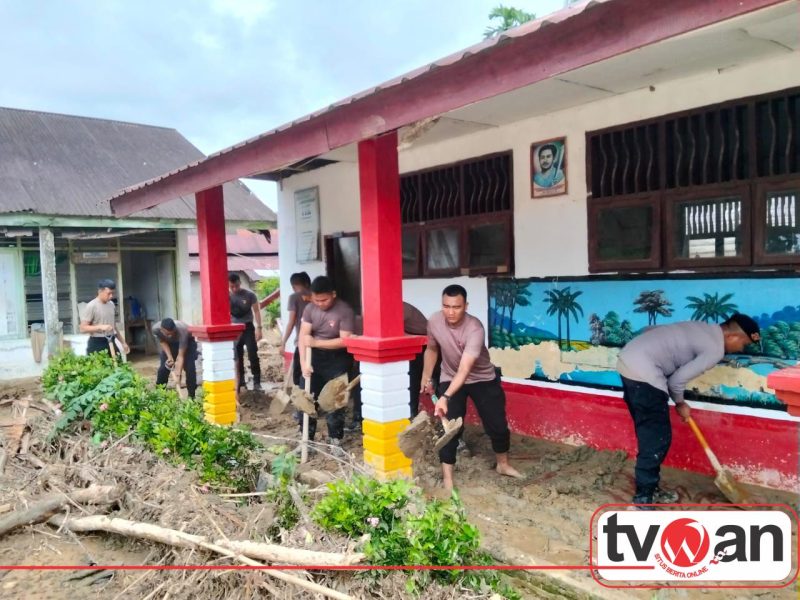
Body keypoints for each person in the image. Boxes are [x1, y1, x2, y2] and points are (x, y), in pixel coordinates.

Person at [616, 313, 761, 509]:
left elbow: (650, 331)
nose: (741, 349)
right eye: (743, 344)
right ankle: (642, 501)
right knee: (657, 440)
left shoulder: (701, 327)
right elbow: (676, 381)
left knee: (649, 433)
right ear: (733, 336)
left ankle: (650, 489)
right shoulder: (715, 349)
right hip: (644, 374)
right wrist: (680, 403)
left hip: (628, 361)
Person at [421, 284, 523, 491]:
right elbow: (432, 349)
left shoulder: (475, 328)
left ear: (466, 306)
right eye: (446, 306)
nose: (450, 312)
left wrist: (445, 397)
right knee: (449, 428)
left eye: (456, 307)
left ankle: (502, 464)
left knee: (497, 425)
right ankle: (448, 478)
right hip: (450, 376)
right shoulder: (434, 321)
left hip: (482, 379)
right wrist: (426, 376)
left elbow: (465, 369)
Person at [298, 276, 355, 445]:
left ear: (333, 294)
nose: (320, 304)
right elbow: (303, 336)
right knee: (304, 398)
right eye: (316, 300)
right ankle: (306, 440)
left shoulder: (344, 311)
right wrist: (303, 363)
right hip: (314, 357)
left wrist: (316, 342)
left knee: (335, 401)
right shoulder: (309, 309)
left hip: (338, 359)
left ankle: (335, 440)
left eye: (324, 300)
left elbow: (345, 340)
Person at [404, 301, 440, 418]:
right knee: (413, 381)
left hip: (426, 345)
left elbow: (397, 335)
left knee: (433, 382)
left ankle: (444, 415)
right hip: (414, 346)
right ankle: (412, 414)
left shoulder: (400, 308)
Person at [229, 273, 262, 392]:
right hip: (234, 329)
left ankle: (257, 382)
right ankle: (241, 381)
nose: (234, 289)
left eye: (237, 286)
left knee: (253, 354)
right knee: (237, 356)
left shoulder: (249, 295)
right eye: (232, 287)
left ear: (240, 283)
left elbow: (257, 311)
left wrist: (259, 328)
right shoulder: (226, 296)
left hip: (248, 328)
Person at [79, 278, 129, 356]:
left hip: (111, 340)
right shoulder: (92, 306)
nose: (111, 296)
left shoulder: (111, 304)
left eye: (112, 293)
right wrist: (100, 327)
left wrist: (123, 342)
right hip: (97, 343)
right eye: (108, 293)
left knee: (117, 363)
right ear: (100, 291)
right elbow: (82, 328)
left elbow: (114, 327)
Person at [152, 317, 198, 398]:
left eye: (172, 333)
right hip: (169, 344)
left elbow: (180, 356)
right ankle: (159, 395)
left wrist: (178, 374)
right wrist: (170, 357)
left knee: (190, 368)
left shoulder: (183, 330)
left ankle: (191, 396)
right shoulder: (156, 329)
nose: (170, 335)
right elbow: (162, 341)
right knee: (163, 369)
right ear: (162, 330)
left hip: (188, 343)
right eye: (168, 334)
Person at [281, 272, 312, 386]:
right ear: (308, 283)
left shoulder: (294, 297)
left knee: (299, 376)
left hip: (302, 342)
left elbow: (291, 322)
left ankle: (301, 394)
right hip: (319, 341)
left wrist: (283, 342)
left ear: (293, 286)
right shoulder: (317, 296)